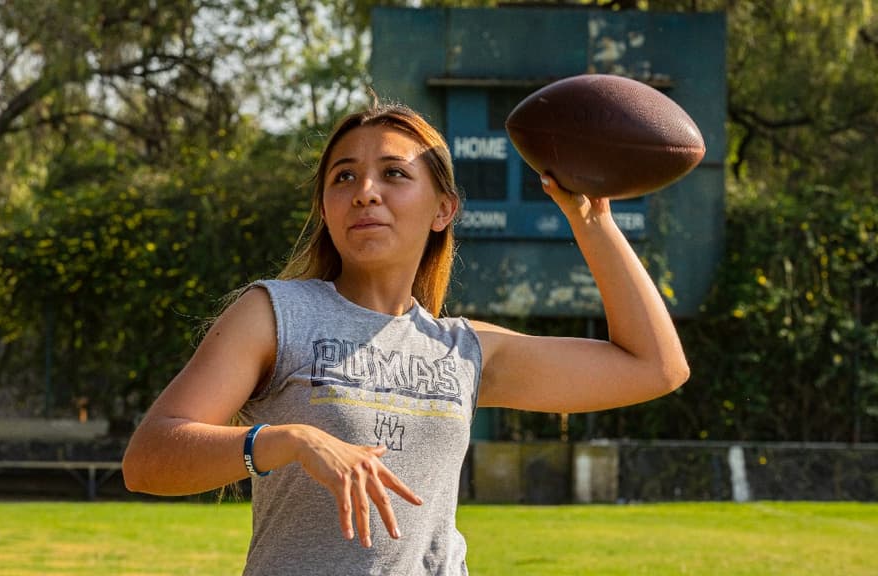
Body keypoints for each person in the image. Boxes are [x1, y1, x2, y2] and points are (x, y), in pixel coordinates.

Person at [121, 103, 689, 575]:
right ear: (326, 207)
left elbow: (655, 366)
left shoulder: (463, 349)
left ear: (444, 209)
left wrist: (594, 224)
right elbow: (148, 460)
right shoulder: (275, 312)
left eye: (394, 173)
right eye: (343, 176)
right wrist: (288, 440)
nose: (365, 191)